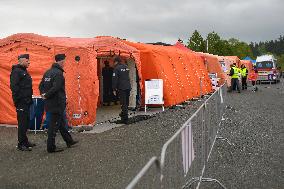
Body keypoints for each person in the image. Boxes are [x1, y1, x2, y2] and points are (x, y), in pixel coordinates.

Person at [39, 54, 78, 153]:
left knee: (61, 123)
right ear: (61, 61)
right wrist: (46, 95)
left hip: (50, 103)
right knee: (53, 126)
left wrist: (43, 94)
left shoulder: (47, 72)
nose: (65, 63)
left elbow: (41, 85)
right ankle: (51, 147)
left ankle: (69, 141)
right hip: (57, 103)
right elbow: (56, 88)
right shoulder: (58, 74)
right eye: (64, 61)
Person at [10, 54, 36, 151]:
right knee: (22, 123)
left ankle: (25, 141)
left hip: (27, 101)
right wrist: (19, 100)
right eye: (27, 60)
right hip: (22, 102)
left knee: (26, 122)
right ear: (20, 61)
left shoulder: (24, 71)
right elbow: (14, 87)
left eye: (28, 60)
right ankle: (21, 144)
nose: (29, 62)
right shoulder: (16, 71)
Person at [112, 56, 131, 124]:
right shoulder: (126, 67)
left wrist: (114, 89)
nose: (113, 63)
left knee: (123, 104)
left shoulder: (116, 68)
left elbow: (115, 80)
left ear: (116, 61)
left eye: (113, 62)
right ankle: (123, 115)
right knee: (126, 103)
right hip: (128, 87)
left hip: (121, 88)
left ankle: (125, 119)